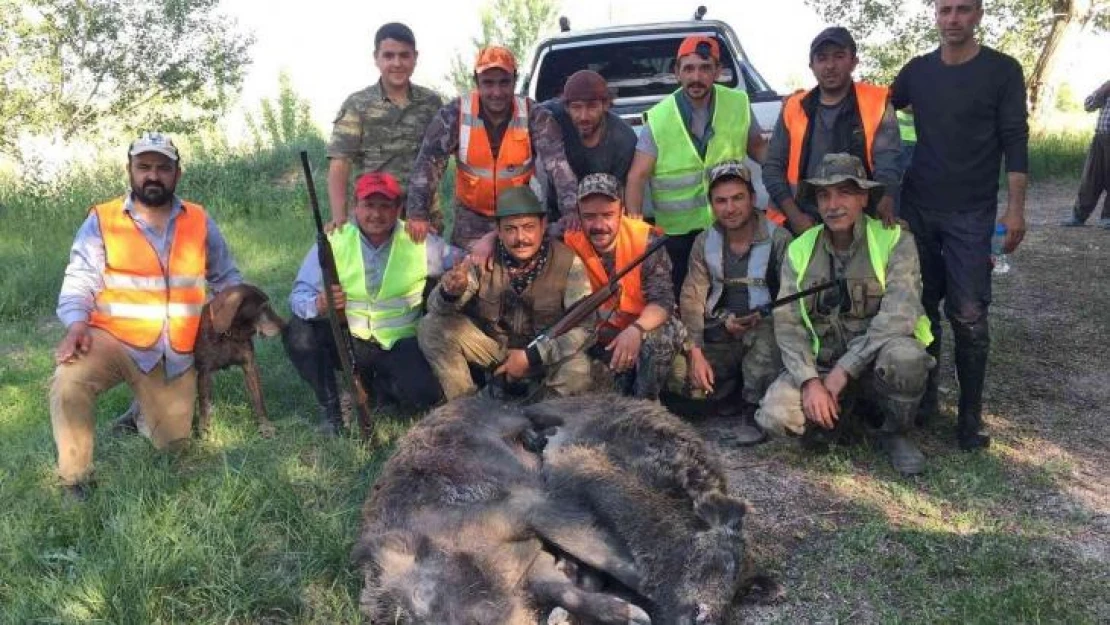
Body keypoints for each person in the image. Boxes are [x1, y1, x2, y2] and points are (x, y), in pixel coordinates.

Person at [51, 132, 242, 500]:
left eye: (162, 168)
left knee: (174, 446)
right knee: (68, 380)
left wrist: (231, 309)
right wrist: (76, 324)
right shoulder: (102, 220)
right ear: (130, 170)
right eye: (144, 167)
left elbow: (227, 277)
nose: (152, 176)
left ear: (177, 174)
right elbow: (79, 278)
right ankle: (75, 479)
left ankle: (138, 413)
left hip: (172, 352)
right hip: (111, 340)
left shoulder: (200, 219)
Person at [891, 0, 1029, 450]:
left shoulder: (1002, 71)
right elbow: (875, 111)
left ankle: (970, 419)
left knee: (969, 314)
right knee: (923, 308)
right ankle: (925, 402)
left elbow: (1016, 141)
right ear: (935, 14)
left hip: (972, 211)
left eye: (963, 10)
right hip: (918, 207)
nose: (953, 19)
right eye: (945, 10)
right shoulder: (917, 72)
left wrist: (1015, 209)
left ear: (979, 15)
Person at [755, 154, 934, 475]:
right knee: (775, 415)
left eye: (844, 193)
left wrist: (845, 370)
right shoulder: (800, 249)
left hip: (874, 364)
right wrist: (810, 382)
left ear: (864, 197)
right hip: (822, 365)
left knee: (906, 357)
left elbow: (901, 314)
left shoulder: (895, 240)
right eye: (824, 195)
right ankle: (843, 418)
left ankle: (897, 434)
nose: (833, 204)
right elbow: (788, 322)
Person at [284, 173, 455, 434]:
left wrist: (483, 249)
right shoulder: (334, 240)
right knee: (298, 333)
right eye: (369, 205)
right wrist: (318, 305)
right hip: (350, 340)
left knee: (424, 395)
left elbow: (462, 261)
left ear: (399, 209)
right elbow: (297, 296)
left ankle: (380, 388)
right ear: (355, 207)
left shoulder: (419, 241)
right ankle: (332, 411)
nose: (376, 214)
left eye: (385, 206)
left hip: (399, 342)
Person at [417, 186, 594, 400]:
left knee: (577, 368)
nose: (521, 238)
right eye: (510, 229)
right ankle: (465, 408)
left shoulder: (567, 262)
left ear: (543, 226)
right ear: (498, 231)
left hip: (544, 357)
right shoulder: (483, 259)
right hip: (495, 353)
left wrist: (532, 356)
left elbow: (586, 329)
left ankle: (545, 414)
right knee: (432, 326)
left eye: (529, 227)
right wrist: (449, 292)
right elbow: (437, 309)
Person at [625, 35, 767, 295]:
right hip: (679, 236)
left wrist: (782, 192)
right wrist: (637, 236)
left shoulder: (738, 104)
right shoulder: (659, 118)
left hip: (730, 223)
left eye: (704, 68)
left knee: (736, 294)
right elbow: (637, 176)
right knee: (686, 297)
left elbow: (759, 148)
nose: (696, 77)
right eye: (688, 69)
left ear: (718, 71)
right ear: (677, 73)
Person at [404, 46, 578, 250]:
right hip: (471, 219)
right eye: (488, 83)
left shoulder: (535, 115)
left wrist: (571, 210)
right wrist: (417, 213)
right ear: (476, 82)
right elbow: (428, 163)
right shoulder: (453, 114)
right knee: (467, 275)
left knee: (522, 274)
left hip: (519, 216)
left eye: (504, 83)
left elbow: (558, 166)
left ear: (514, 80)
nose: (497, 92)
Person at [678, 161, 792, 445]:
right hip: (721, 329)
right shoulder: (704, 242)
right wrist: (696, 352)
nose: (730, 208)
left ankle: (753, 407)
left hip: (766, 328)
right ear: (712, 205)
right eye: (721, 201)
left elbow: (793, 299)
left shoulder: (780, 239)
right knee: (680, 377)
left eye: (737, 198)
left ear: (752, 198)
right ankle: (727, 393)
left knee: (767, 343)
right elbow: (692, 298)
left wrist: (764, 318)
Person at [763, 27, 903, 234]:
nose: (830, 66)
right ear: (812, 65)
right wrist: (795, 217)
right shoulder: (794, 106)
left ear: (854, 62)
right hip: (803, 220)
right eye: (822, 58)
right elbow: (773, 166)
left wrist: (886, 198)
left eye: (839, 56)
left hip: (860, 222)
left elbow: (888, 162)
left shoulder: (876, 102)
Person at [563, 173, 682, 400]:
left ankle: (645, 406)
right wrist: (490, 239)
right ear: (578, 214)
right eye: (589, 216)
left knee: (664, 336)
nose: (599, 225)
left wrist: (635, 331)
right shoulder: (567, 239)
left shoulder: (645, 240)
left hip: (640, 331)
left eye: (607, 215)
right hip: (598, 338)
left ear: (622, 211)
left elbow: (663, 301)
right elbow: (526, 232)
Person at [327, 23, 444, 229]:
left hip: (421, 219)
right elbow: (340, 163)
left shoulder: (432, 103)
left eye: (404, 55)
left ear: (415, 57)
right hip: (374, 216)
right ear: (376, 58)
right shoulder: (358, 105)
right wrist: (339, 217)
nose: (397, 63)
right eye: (389, 56)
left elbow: (441, 159)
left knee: (427, 262)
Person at [537, 70, 638, 219]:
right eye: (576, 107)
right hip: (559, 215)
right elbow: (524, 110)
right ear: (566, 107)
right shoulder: (554, 115)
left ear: (605, 105)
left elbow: (620, 194)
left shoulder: (623, 139)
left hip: (601, 219)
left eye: (591, 107)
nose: (584, 116)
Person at [1061, 79, 1110, 228]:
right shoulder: (1107, 87)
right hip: (1100, 137)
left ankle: (1108, 217)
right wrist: (1102, 91)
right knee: (1090, 177)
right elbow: (1088, 106)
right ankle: (1079, 215)